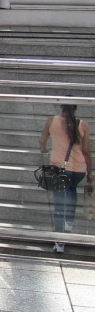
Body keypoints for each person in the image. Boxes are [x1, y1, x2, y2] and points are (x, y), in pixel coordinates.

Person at [39, 104, 92, 252]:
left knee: (59, 205)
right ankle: (69, 221)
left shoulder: (51, 121)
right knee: (72, 189)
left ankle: (59, 243)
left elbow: (42, 141)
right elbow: (87, 151)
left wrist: (44, 150)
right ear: (75, 108)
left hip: (59, 169)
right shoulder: (83, 124)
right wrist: (90, 173)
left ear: (60, 106)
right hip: (78, 170)